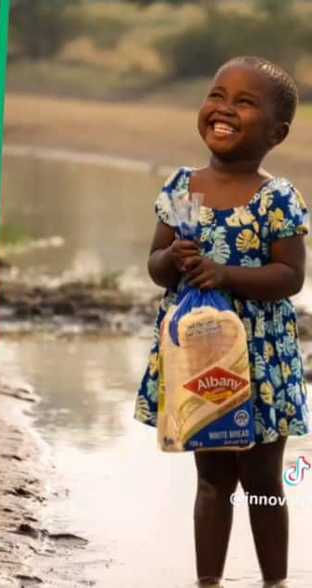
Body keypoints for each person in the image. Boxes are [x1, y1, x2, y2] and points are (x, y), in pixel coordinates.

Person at [136, 56, 308, 586]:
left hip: (258, 362)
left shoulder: (276, 198)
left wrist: (226, 274)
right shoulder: (184, 188)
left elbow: (290, 277)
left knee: (261, 480)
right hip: (197, 360)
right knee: (211, 478)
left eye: (245, 102)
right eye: (217, 95)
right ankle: (207, 581)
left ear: (276, 133)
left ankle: (274, 580)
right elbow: (156, 268)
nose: (225, 109)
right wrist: (174, 261)